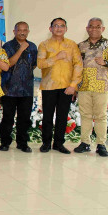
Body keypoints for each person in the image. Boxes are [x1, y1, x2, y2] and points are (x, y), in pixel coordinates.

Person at [37, 17, 82, 154]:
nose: (59, 28)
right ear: (50, 29)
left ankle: (58, 144)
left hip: (66, 87)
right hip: (49, 86)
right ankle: (46, 143)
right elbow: (40, 64)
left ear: (66, 29)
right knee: (48, 116)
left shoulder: (72, 45)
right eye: (56, 26)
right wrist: (56, 57)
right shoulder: (44, 45)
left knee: (62, 116)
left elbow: (78, 65)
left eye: (62, 26)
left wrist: (73, 85)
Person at [74, 17, 108, 157]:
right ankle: (85, 143)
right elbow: (75, 66)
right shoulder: (80, 46)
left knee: (100, 116)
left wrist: (106, 62)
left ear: (102, 29)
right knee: (85, 115)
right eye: (91, 26)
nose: (94, 29)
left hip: (101, 85)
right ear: (87, 28)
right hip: (84, 85)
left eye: (97, 26)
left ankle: (101, 144)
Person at [0, 22, 38, 153]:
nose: (22, 32)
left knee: (24, 118)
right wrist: (21, 49)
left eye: (25, 30)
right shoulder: (7, 46)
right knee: (8, 118)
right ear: (14, 31)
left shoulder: (32, 46)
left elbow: (33, 65)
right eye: (19, 30)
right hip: (9, 88)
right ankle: (5, 142)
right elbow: (8, 64)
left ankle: (22, 143)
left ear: (28, 31)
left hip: (26, 89)